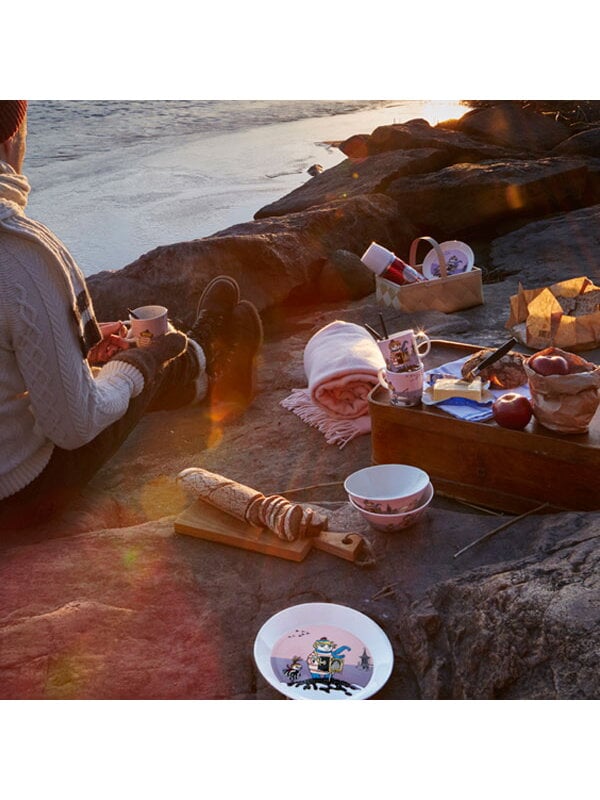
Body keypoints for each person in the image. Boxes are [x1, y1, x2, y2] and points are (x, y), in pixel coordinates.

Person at [0, 101, 263, 530]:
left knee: (100, 360)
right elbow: (73, 426)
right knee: (139, 358)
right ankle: (202, 366)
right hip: (21, 493)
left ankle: (191, 367)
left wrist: (72, 345)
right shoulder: (21, 253)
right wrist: (138, 363)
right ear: (13, 138)